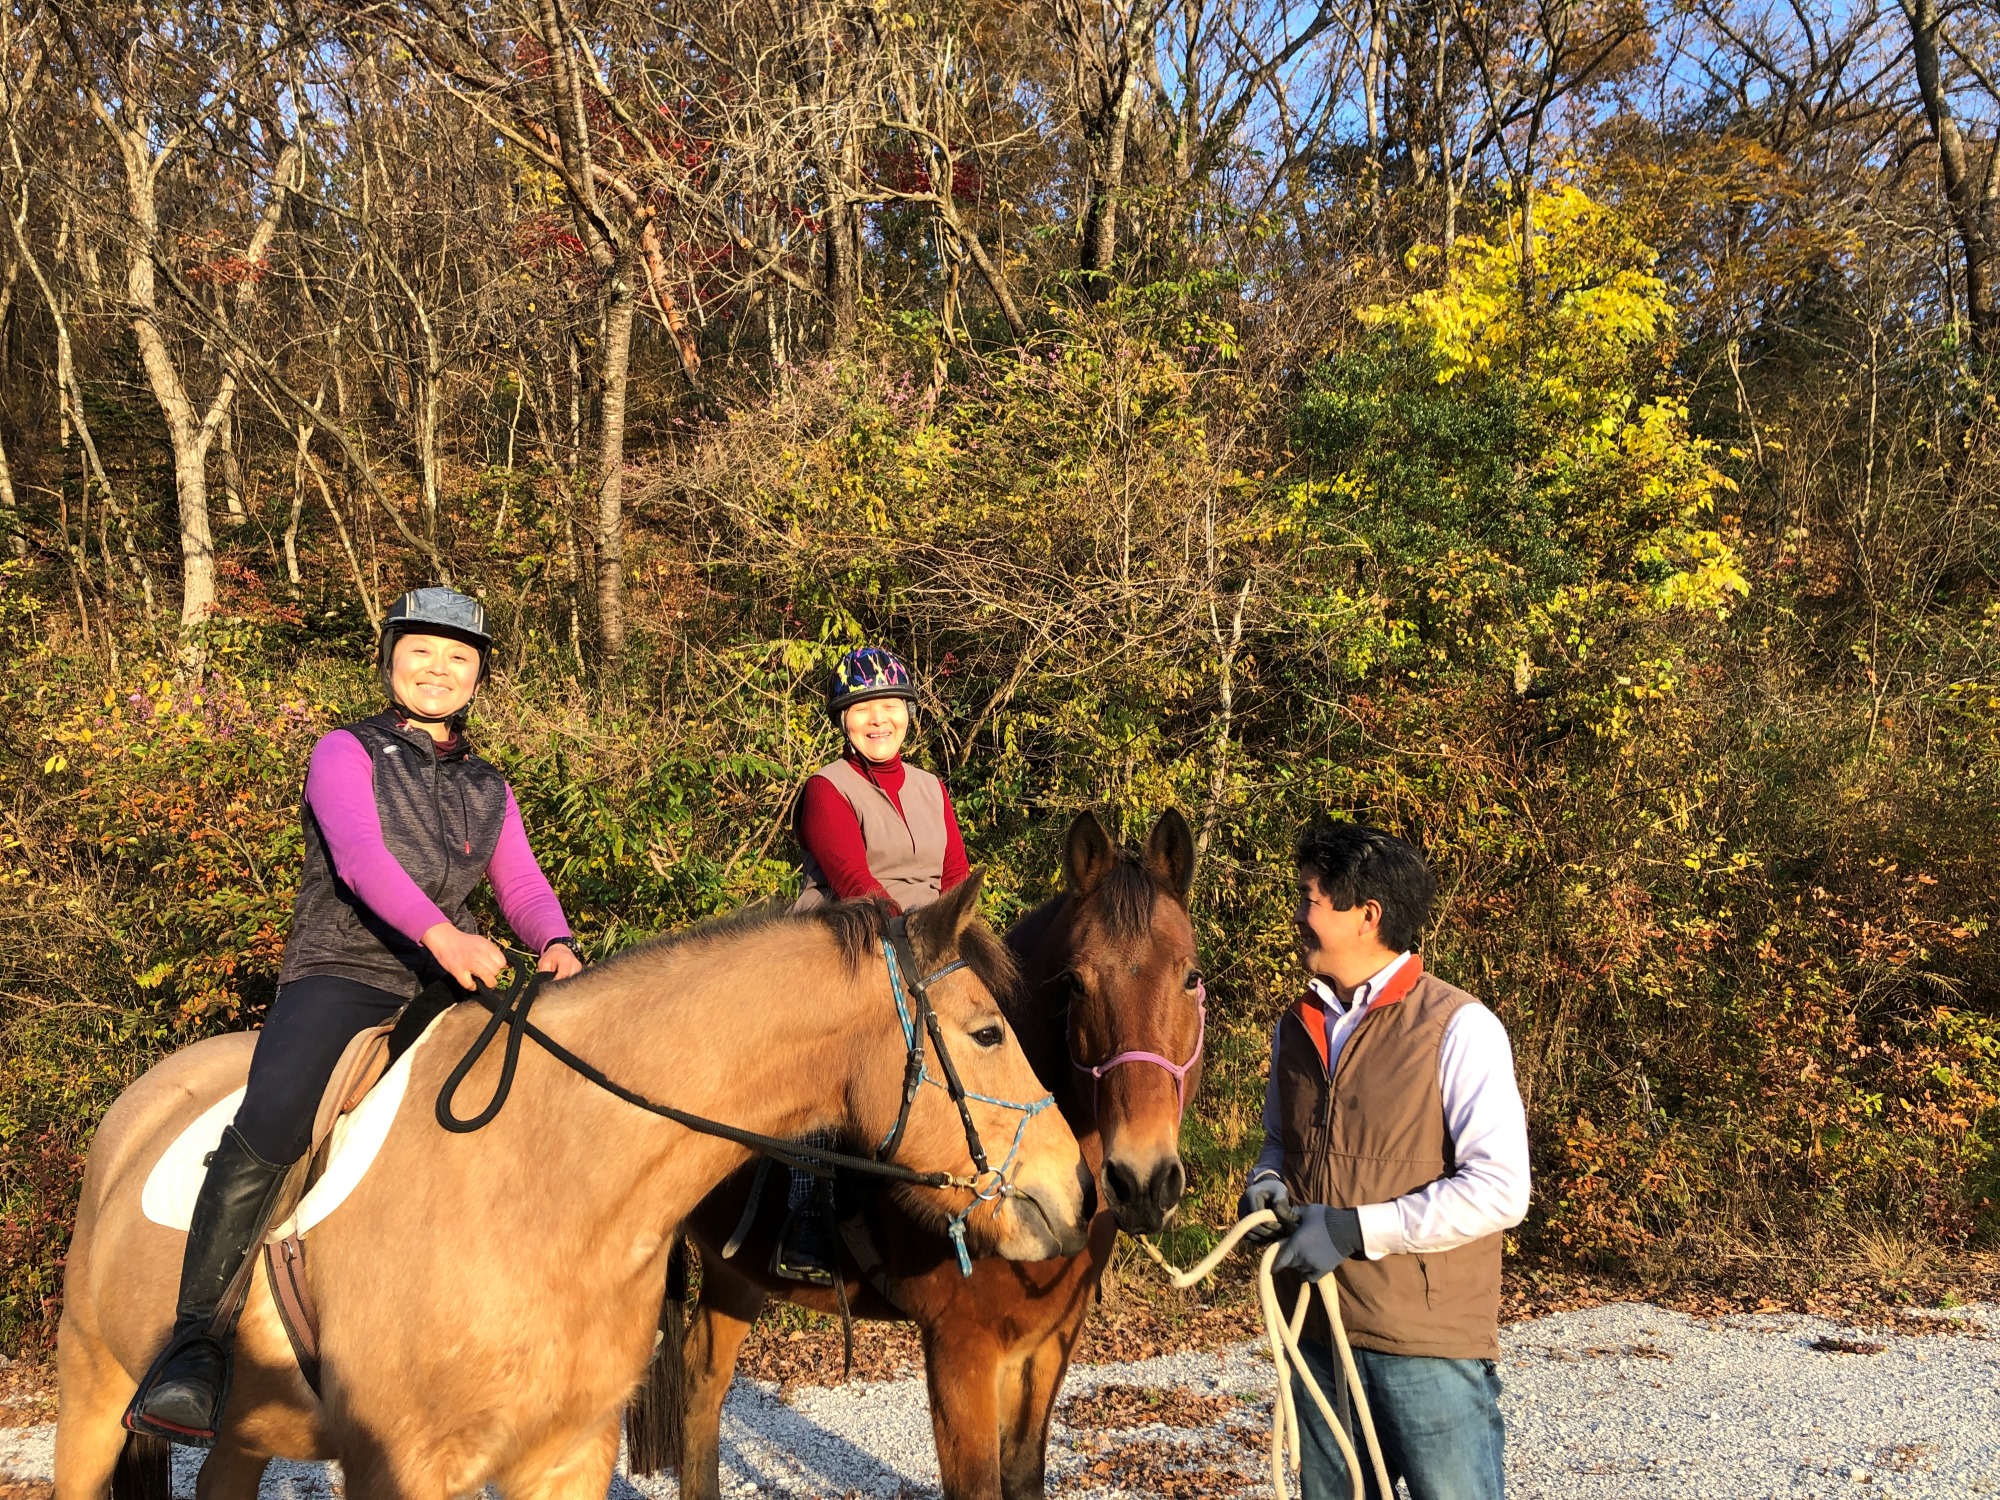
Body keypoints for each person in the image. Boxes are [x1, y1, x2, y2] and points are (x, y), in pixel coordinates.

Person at [125, 587, 584, 1446]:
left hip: (455, 980)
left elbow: (519, 883)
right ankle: (195, 1346)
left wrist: (555, 942)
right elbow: (362, 857)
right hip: (345, 971)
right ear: (390, 660)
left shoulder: (490, 784)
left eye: (458, 658)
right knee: (274, 1117)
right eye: (422, 652)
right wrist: (443, 936)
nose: (438, 670)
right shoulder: (345, 750)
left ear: (479, 678)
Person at [1239, 821, 1530, 1500]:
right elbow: (1279, 1142)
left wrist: (1353, 1230)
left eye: (1310, 897)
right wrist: (1267, 1181)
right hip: (1318, 1335)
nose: (1297, 915)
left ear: (1366, 915)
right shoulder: (1297, 1025)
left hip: (1424, 1345)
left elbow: (1500, 1190)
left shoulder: (1461, 1027)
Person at [775, 645, 971, 1281]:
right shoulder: (827, 789)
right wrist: (915, 934)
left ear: (909, 715)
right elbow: (853, 879)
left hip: (928, 940)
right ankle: (806, 1215)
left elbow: (956, 876)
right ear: (843, 720)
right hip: (847, 941)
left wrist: (957, 939)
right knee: (827, 1058)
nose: (877, 719)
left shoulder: (932, 789)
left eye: (889, 705)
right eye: (863, 708)